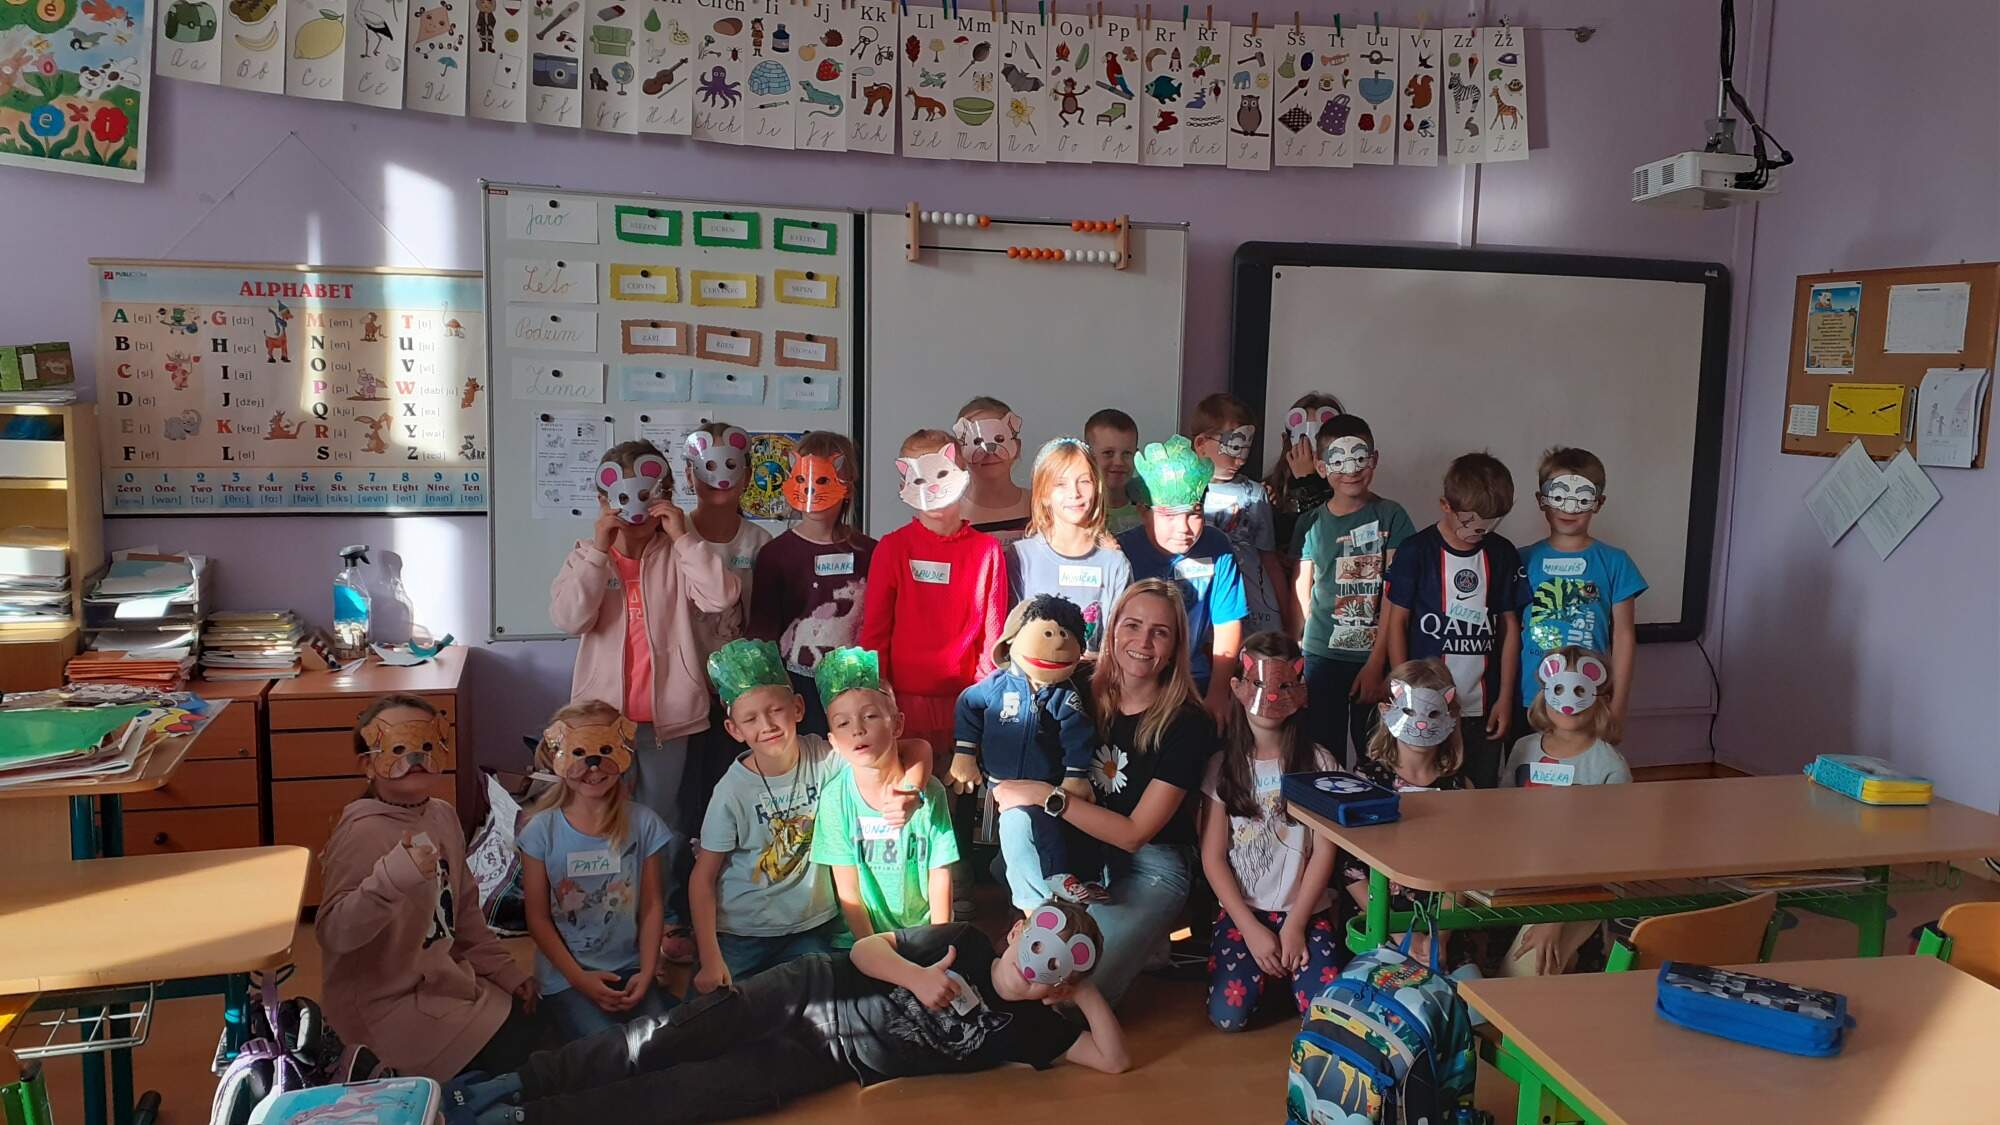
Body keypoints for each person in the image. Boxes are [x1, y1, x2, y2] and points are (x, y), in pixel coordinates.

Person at [439, 901, 1128, 1125]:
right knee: (667, 1036)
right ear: (1017, 930)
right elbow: (867, 950)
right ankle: (515, 1083)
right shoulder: (967, 941)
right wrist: (919, 977)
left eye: (1056, 969)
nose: (1038, 966)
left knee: (690, 1094)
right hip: (811, 987)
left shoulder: (1035, 1028)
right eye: (1038, 946)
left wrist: (1082, 990)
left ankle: (526, 1117)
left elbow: (1112, 1059)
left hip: (823, 1059)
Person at [549, 439, 738, 956]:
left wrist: (684, 537)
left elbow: (721, 597)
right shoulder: (587, 555)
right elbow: (569, 618)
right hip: (601, 725)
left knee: (664, 820)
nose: (635, 509)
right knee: (599, 817)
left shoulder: (680, 552)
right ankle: (607, 917)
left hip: (667, 719)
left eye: (649, 495)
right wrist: (597, 551)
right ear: (603, 499)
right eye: (621, 496)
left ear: (665, 496)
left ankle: (666, 915)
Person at [991, 579, 1221, 1005]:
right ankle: (1056, 918)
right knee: (1018, 821)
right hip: (1078, 849)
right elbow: (1003, 683)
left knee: (1070, 996)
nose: (1143, 642)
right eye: (1132, 625)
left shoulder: (1189, 722)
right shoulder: (1075, 682)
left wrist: (1047, 795)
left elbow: (1134, 834)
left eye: (1160, 632)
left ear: (1176, 646)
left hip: (1150, 862)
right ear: (1112, 629)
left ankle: (1140, 930)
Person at [690, 640, 930, 995]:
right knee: (714, 1008)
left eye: (776, 710)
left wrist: (911, 791)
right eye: (751, 719)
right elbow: (703, 877)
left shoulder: (825, 755)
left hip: (811, 928)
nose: (767, 725)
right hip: (744, 933)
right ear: (734, 730)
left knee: (829, 1003)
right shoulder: (731, 792)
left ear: (798, 708)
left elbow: (914, 747)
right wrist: (710, 957)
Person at [318, 695, 540, 1080]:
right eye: (397, 747)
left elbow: (464, 912)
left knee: (538, 1027)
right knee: (525, 1059)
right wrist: (389, 881)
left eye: (426, 744)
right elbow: (334, 933)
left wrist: (506, 971)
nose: (415, 758)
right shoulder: (361, 834)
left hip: (441, 982)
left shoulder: (441, 814)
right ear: (367, 764)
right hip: (383, 1007)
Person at [858, 428, 1008, 918]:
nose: (933, 491)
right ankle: (903, 892)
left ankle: (952, 885)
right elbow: (875, 630)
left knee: (955, 796)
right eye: (919, 479)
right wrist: (878, 699)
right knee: (906, 790)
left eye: (942, 474)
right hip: (902, 701)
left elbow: (992, 634)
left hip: (963, 702)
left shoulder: (986, 551)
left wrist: (981, 707)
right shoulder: (893, 548)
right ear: (905, 483)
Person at [1199, 634, 1342, 1032]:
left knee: (1324, 1015)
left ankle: (1283, 978)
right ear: (1237, 686)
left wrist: (1296, 924)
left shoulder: (1319, 763)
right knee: (1228, 1016)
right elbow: (1212, 857)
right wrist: (1248, 928)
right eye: (1258, 683)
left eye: (1283, 685)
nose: (1271, 696)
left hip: (1305, 911)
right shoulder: (1222, 767)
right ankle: (1268, 978)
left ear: (1301, 691)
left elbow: (1325, 851)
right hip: (1245, 913)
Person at [518, 700, 674, 1042]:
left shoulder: (644, 824)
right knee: (609, 1050)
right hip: (566, 977)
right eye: (579, 752)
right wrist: (579, 979)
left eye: (605, 750)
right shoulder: (540, 831)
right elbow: (538, 919)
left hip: (630, 967)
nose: (594, 766)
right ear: (557, 757)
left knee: (660, 1045)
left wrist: (648, 970)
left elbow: (652, 906)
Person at [952, 595, 1106, 907]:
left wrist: (1075, 776)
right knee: (1017, 836)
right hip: (999, 781)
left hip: (1043, 785)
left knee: (1042, 827)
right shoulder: (996, 685)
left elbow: (1078, 736)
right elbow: (968, 704)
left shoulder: (1064, 696)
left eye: (1066, 635)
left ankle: (1054, 881)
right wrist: (965, 752)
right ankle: (1031, 892)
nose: (1057, 642)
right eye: (1047, 632)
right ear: (1011, 640)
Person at [1384, 452, 1526, 788]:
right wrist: (1403, 695)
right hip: (1424, 708)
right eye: (1470, 523)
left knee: (1479, 793)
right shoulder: (1415, 551)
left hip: (1482, 709)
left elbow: (1509, 631)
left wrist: (1505, 698)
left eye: (1489, 524)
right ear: (1445, 505)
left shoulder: (1502, 553)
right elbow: (1397, 624)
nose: (1478, 532)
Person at [808, 648, 961, 939]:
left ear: (897, 725)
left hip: (922, 933)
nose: (857, 730)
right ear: (833, 742)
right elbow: (848, 890)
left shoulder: (930, 793)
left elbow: (940, 875)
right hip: (861, 940)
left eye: (870, 716)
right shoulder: (834, 799)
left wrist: (939, 941)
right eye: (843, 723)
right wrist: (872, 949)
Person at [1502, 646, 1632, 976]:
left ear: (1601, 697)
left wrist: (1556, 918)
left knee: (1529, 968)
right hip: (1522, 875)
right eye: (1558, 688)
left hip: (1582, 885)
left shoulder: (1609, 766)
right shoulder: (1523, 749)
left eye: (1579, 690)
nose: (1568, 701)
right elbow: (1502, 815)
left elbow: (1609, 853)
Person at [1293, 415, 1415, 765]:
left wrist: (1377, 662)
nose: (1351, 470)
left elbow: (1395, 592)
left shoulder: (1392, 516)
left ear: (1374, 460)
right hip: (1321, 656)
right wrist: (1299, 648)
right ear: (1321, 467)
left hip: (1375, 656)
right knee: (1321, 754)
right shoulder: (1311, 522)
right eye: (1339, 461)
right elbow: (1302, 586)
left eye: (1360, 458)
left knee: (1376, 756)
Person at [1340, 659, 1470, 965]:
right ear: (1388, 711)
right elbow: (1350, 868)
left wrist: (1439, 938)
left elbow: (1465, 868)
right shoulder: (1366, 782)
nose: (1421, 724)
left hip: (1442, 927)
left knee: (1465, 991)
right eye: (1410, 711)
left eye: (1433, 713)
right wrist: (1398, 933)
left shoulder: (1460, 789)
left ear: (1450, 716)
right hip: (1379, 923)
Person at [746, 431, 874, 735]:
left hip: (858, 684)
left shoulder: (870, 552)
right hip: (797, 683)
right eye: (803, 480)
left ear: (846, 486)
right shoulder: (776, 554)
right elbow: (764, 629)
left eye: (823, 481)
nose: (813, 493)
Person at [1114, 435, 1247, 721]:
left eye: (1193, 514)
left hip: (1194, 680)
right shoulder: (1120, 552)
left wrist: (1218, 692)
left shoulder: (1217, 547)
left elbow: (1227, 622)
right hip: (1133, 679)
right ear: (1143, 511)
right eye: (1169, 516)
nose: (1184, 528)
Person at [1517, 447, 1647, 734]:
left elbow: (1624, 637)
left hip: (1587, 698)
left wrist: (1618, 706)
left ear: (1598, 503)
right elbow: (1508, 632)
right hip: (1530, 700)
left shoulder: (1616, 563)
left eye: (1582, 499)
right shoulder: (1521, 561)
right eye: (1559, 497)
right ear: (1541, 500)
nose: (1569, 508)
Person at [1006, 435, 1132, 654]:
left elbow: (1119, 641)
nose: (1074, 493)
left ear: (1097, 487)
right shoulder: (1021, 557)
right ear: (1044, 494)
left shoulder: (1114, 563)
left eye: (1084, 481)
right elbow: (1010, 636)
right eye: (1061, 484)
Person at [1191, 392, 1288, 638]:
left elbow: (1269, 558)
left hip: (1254, 607)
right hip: (1202, 602)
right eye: (1234, 448)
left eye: (1246, 449)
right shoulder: (1186, 492)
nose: (1241, 459)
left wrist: (1287, 617)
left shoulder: (1255, 494)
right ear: (1201, 444)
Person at [1263, 392, 1344, 572]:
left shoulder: (1346, 486)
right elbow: (1283, 546)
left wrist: (1306, 482)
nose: (1311, 447)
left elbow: (1328, 537)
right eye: (1303, 437)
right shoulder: (1272, 488)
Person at [952, 396, 1032, 537]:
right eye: (977, 442)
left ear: (1017, 447)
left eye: (1000, 439)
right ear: (960, 452)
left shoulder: (1038, 504)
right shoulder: (951, 515)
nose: (989, 451)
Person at [1085, 408, 1143, 536]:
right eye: (1108, 453)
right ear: (1088, 456)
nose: (1118, 462)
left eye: (1127, 453)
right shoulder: (1079, 512)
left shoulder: (1147, 512)